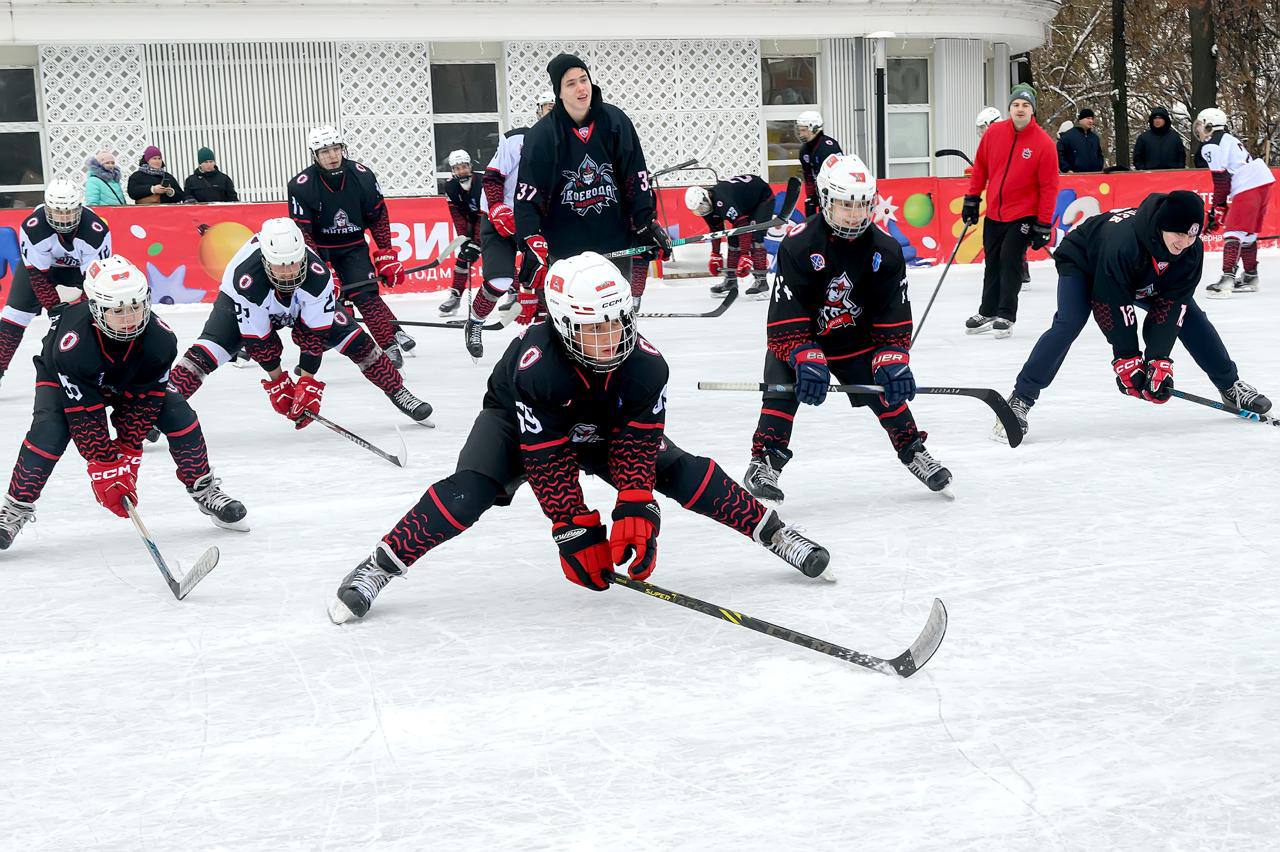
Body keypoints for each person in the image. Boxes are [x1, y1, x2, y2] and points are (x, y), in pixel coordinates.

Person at [326, 252, 831, 623]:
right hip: (518, 419)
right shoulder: (537, 366)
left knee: (678, 470)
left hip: (606, 421)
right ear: (563, 324)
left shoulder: (647, 367)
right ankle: (380, 564)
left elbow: (638, 443)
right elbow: (547, 461)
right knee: (471, 490)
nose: (610, 341)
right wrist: (573, 526)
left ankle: (774, 532)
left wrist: (637, 503)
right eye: (593, 330)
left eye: (617, 325)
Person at [742, 153, 952, 505]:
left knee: (888, 388)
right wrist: (805, 356)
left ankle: (913, 450)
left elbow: (892, 310)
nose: (854, 215)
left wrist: (893, 356)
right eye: (844, 206)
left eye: (861, 206)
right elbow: (785, 312)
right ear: (826, 200)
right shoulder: (799, 243)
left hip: (855, 340)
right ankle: (764, 461)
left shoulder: (885, 249)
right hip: (803, 339)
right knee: (781, 391)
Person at [0, 256, 247, 551]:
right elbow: (85, 418)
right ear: (96, 309)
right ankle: (14, 510)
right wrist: (106, 466)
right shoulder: (73, 345)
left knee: (178, 412)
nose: (129, 318)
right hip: (62, 377)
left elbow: (147, 401)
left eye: (135, 307)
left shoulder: (162, 340)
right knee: (49, 431)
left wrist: (128, 454)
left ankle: (205, 490)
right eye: (117, 311)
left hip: (126, 379)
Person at [999, 190, 1271, 440]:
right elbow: (1111, 303)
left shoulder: (1191, 251)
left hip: (1138, 276)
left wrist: (1157, 360)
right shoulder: (1125, 242)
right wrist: (1127, 357)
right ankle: (1021, 398)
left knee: (1192, 318)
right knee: (1069, 322)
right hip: (1086, 263)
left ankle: (1230, 386)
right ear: (1163, 225)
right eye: (1179, 234)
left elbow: (1173, 305)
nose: (1185, 242)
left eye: (1192, 236)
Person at [165, 218, 434, 427]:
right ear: (265, 260)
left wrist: (307, 384)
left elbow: (313, 337)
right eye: (280, 266)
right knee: (209, 351)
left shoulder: (318, 277)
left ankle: (398, 391)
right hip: (242, 300)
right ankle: (164, 408)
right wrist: (278, 383)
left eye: (294, 264)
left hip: (296, 304)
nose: (288, 272)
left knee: (357, 340)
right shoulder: (245, 279)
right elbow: (259, 341)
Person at [514, 53, 671, 321]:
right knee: (571, 328)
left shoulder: (615, 121)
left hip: (614, 244)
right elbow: (528, 194)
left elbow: (636, 175)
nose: (581, 88)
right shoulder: (542, 136)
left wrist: (644, 221)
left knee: (616, 327)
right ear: (559, 93)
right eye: (571, 83)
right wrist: (530, 240)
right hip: (565, 252)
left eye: (583, 79)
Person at [287, 126, 414, 367]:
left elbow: (378, 216)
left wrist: (387, 252)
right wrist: (321, 267)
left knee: (365, 296)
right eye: (324, 152)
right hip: (319, 250)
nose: (332, 156)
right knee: (320, 303)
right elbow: (302, 231)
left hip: (354, 246)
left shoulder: (363, 175)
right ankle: (311, 358)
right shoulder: (300, 186)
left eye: (335, 149)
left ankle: (389, 345)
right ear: (314, 154)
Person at [961, 84, 1058, 339]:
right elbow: (980, 167)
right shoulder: (994, 133)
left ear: (1032, 110)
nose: (1020, 109)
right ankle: (988, 310)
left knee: (1009, 260)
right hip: (995, 212)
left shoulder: (1043, 144)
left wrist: (1044, 223)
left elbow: (1049, 187)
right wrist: (972, 199)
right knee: (992, 261)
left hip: (1024, 214)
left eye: (1025, 105)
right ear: (1009, 108)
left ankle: (1005, 314)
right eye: (1016, 105)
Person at [467, 91, 556, 358]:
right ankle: (475, 322)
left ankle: (550, 333)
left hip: (536, 222)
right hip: (500, 220)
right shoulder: (517, 139)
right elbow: (493, 178)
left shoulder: (568, 147)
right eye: (547, 108)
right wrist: (497, 208)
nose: (552, 113)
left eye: (556, 108)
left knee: (552, 280)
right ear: (538, 111)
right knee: (500, 280)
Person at [0, 179, 111, 386]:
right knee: (13, 317)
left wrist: (76, 316)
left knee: (93, 318)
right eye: (58, 212)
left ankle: (97, 370)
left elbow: (95, 281)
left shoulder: (96, 231)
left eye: (69, 212)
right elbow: (37, 277)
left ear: (79, 208)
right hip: (42, 271)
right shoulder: (33, 227)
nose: (64, 218)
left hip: (80, 273)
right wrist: (54, 309)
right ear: (48, 208)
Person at [1196, 107, 1274, 298]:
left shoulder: (1211, 145)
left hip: (1247, 184)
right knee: (1247, 233)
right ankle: (1250, 275)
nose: (1198, 128)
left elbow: (1221, 180)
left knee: (1233, 232)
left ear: (1209, 124)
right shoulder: (1229, 139)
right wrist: (1219, 207)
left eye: (1200, 124)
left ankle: (1227, 279)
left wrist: (1217, 208)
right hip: (1263, 181)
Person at [684, 174, 775, 300]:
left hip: (762, 199)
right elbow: (717, 231)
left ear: (706, 196)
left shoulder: (722, 201)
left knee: (755, 237)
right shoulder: (706, 206)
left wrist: (745, 255)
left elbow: (743, 226)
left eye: (702, 206)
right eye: (698, 210)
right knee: (733, 238)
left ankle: (762, 282)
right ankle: (731, 280)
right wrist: (715, 254)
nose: (702, 211)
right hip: (744, 202)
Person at [975, 106, 1031, 287]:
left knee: (1012, 245)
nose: (982, 132)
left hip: (1016, 202)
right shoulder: (993, 141)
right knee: (1000, 246)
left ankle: (1019, 272)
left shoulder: (1011, 138)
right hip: (998, 204)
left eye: (983, 127)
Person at [438, 149, 483, 316]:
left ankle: (513, 294)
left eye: (464, 166)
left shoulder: (483, 182)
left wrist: (477, 242)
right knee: (462, 260)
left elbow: (485, 214)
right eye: (457, 168)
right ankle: (455, 298)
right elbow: (456, 215)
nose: (461, 171)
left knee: (497, 258)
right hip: (471, 223)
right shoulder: (450, 186)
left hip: (491, 223)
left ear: (470, 166)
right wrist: (465, 239)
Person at [795, 111, 842, 218]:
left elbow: (839, 175)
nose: (801, 134)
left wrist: (828, 198)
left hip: (836, 195)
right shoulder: (804, 151)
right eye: (800, 130)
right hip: (821, 193)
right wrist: (811, 197)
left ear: (814, 129)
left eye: (803, 130)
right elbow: (808, 177)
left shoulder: (828, 147)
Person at [1057, 108, 1105, 173]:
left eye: (1092, 119)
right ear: (1080, 120)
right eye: (1088, 118)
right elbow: (1059, 154)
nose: (1091, 121)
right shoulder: (1068, 136)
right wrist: (1066, 169)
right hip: (1075, 177)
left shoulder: (1095, 138)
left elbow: (1099, 155)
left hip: (1094, 176)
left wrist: (1099, 167)